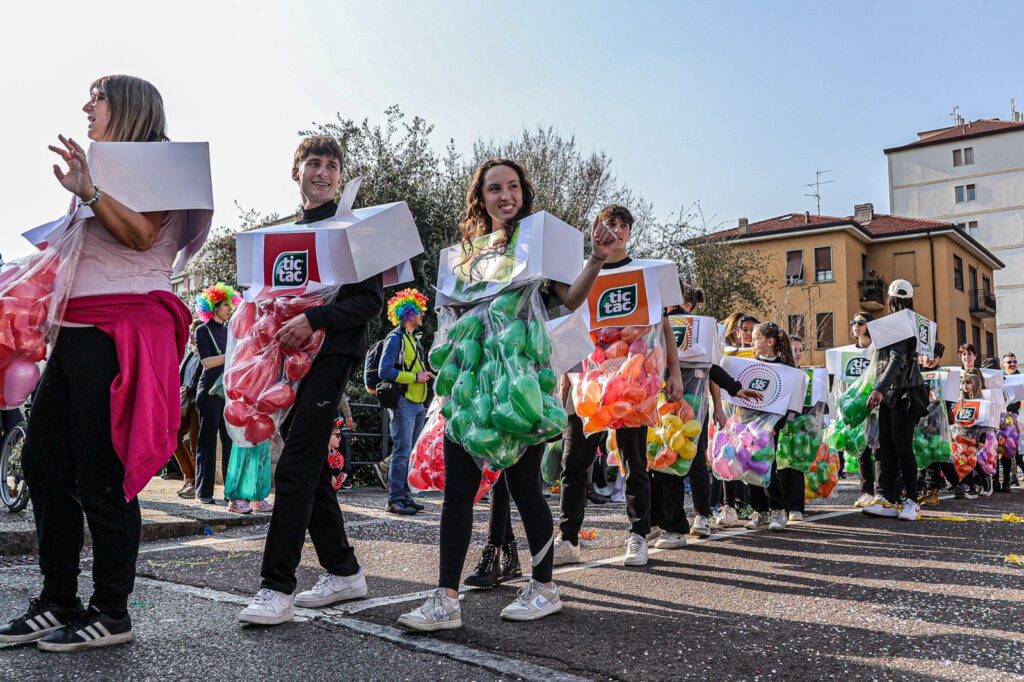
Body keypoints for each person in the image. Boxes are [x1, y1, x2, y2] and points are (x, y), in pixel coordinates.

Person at [0, 75, 205, 651]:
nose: (87, 106)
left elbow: (141, 237)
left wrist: (89, 192)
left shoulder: (163, 161)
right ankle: (57, 599)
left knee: (102, 474)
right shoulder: (100, 170)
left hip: (119, 331)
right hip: (73, 333)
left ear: (131, 108)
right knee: (44, 467)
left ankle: (112, 611)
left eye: (99, 97)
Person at [397, 159, 616, 631]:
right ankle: (446, 600)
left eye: (513, 187)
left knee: (523, 489)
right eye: (495, 188)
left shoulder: (538, 245)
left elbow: (569, 298)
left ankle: (544, 587)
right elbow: (450, 320)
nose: (505, 195)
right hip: (471, 387)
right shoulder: (464, 257)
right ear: (482, 197)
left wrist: (595, 258)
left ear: (523, 193)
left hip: (522, 389)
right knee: (459, 493)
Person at [238, 136, 384, 625]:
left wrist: (316, 319)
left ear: (341, 176)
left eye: (333, 165)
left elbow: (369, 304)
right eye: (314, 163)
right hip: (286, 362)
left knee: (295, 467)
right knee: (312, 468)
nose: (323, 172)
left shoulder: (353, 229)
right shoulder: (275, 238)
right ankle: (344, 572)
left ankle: (276, 586)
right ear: (296, 171)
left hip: (332, 356)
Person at [548, 205, 685, 569]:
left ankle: (638, 535)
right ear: (597, 229)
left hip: (633, 384)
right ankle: (568, 537)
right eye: (610, 224)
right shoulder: (582, 273)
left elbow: (665, 327)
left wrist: (675, 374)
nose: (617, 231)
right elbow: (570, 329)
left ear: (630, 233)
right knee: (573, 462)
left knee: (634, 461)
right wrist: (565, 377)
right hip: (589, 383)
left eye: (623, 225)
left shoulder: (648, 274)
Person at [864, 280, 925, 522]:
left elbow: (896, 360)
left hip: (903, 393)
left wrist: (878, 388)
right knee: (888, 448)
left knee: (900, 448)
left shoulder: (901, 324)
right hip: (893, 394)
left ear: (889, 299)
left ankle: (912, 500)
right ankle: (890, 499)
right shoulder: (908, 323)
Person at [378, 288, 432, 515]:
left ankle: (405, 495)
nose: (422, 315)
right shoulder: (395, 338)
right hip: (404, 402)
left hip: (417, 402)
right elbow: (385, 370)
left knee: (410, 453)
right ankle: (395, 499)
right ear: (408, 314)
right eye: (419, 311)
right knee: (402, 451)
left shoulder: (413, 339)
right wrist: (415, 377)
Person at [194, 284, 246, 510]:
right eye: (225, 305)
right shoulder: (202, 331)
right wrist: (232, 354)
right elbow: (207, 362)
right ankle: (203, 492)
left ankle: (230, 492)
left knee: (229, 441)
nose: (229, 309)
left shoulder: (229, 331)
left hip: (227, 391)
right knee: (207, 441)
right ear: (213, 306)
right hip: (209, 392)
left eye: (229, 305)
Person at [744, 322, 800, 532]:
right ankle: (760, 511)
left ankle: (779, 509)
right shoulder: (750, 364)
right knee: (749, 464)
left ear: (770, 341)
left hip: (771, 426)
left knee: (768, 465)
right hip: (750, 424)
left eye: (757, 338)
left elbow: (789, 402)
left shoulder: (786, 368)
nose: (752, 341)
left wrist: (777, 425)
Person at [174, 320, 203, 498]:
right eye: (192, 331)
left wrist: (190, 388)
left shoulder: (204, 353)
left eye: (196, 331)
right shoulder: (190, 353)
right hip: (184, 401)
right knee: (173, 438)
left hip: (196, 401)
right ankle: (190, 476)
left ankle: (194, 482)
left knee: (195, 444)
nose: (193, 334)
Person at [1002, 352, 1022, 488]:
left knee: (1019, 454)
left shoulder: (1021, 379)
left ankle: (1007, 482)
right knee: (1006, 451)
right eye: (1009, 362)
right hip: (1004, 419)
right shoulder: (1000, 380)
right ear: (1003, 365)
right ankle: (1006, 482)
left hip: (1018, 419)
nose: (1012, 364)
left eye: (1014, 361)